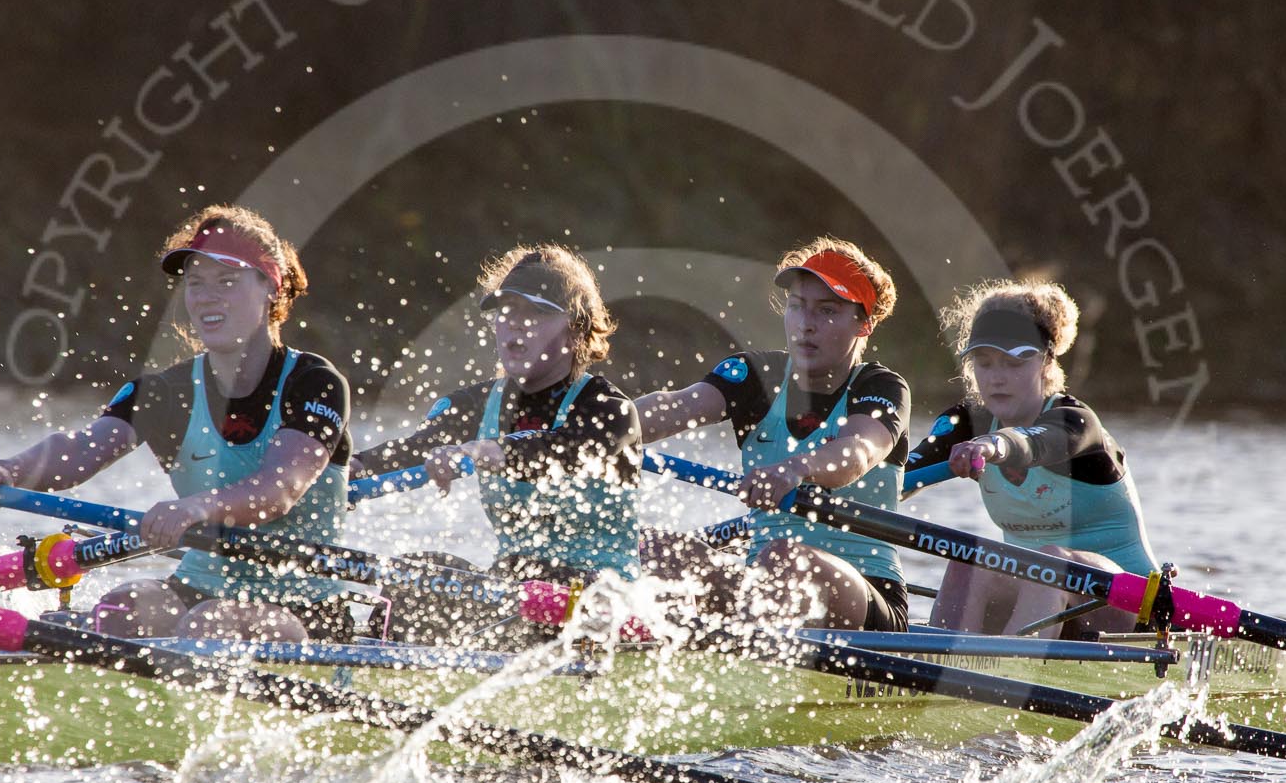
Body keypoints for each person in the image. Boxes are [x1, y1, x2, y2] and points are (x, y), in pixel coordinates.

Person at [0, 206, 354, 642]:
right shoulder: (166, 393)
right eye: (195, 283)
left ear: (271, 285)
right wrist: (5, 472)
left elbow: (279, 490)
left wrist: (196, 508)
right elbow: (79, 450)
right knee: (121, 608)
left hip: (305, 609)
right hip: (197, 588)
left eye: (226, 282)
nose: (206, 297)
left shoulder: (314, 383)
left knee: (208, 623)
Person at [353, 244, 640, 634]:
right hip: (513, 587)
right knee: (410, 578)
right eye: (507, 311)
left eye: (537, 312)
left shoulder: (608, 410)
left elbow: (563, 452)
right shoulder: (475, 405)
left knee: (505, 597)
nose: (516, 324)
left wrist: (491, 450)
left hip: (598, 598)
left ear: (576, 330)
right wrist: (349, 469)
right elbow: (413, 449)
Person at [634, 237, 911, 630]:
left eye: (828, 310)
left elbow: (859, 452)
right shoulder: (754, 376)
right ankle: (669, 658)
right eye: (797, 307)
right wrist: (590, 431)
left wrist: (794, 470)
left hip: (868, 595)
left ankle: (734, 662)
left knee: (783, 557)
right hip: (762, 591)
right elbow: (674, 406)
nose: (806, 323)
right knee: (654, 549)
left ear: (864, 323)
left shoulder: (882, 388)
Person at [907, 278, 1158, 636]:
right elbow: (897, 476)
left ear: (1046, 360)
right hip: (1033, 604)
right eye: (985, 362)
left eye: (1014, 363)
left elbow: (1032, 444)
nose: (997, 378)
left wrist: (991, 446)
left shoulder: (1076, 423)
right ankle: (938, 669)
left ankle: (1009, 675)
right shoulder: (965, 423)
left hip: (1124, 607)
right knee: (967, 558)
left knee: (1051, 560)